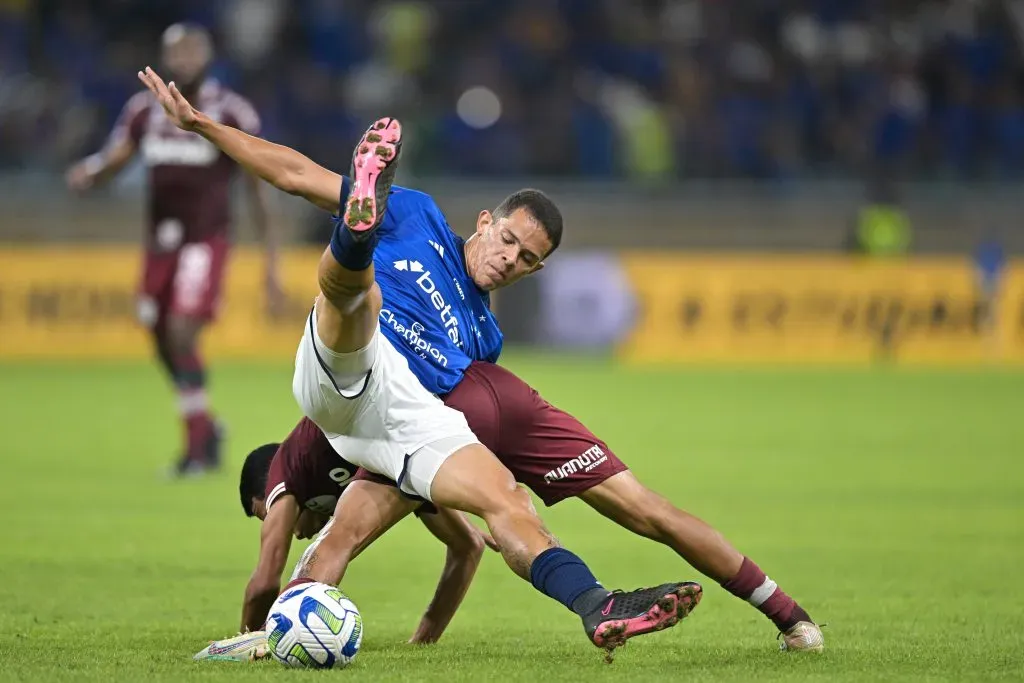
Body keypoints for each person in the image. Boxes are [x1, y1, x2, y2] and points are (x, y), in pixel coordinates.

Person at [138, 67, 701, 658]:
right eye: (507, 242)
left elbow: (466, 545)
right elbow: (293, 172)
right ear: (486, 224)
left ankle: (596, 605)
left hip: (405, 415)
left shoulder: (482, 333)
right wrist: (202, 125)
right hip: (343, 382)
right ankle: (356, 236)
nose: (510, 259)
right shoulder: (418, 215)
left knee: (507, 501)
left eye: (525, 256)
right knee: (358, 300)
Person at [66, 24, 283, 475]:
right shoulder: (144, 110)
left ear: (208, 56)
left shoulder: (230, 111)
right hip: (159, 244)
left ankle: (196, 447)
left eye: (191, 50)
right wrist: (88, 172)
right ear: (163, 59)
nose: (183, 59)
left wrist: (271, 263)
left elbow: (260, 188)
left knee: (183, 330)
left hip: (205, 241)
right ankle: (207, 426)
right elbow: (117, 156)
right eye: (174, 52)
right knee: (159, 333)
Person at [194, 423, 495, 661]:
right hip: (415, 433)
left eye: (267, 514)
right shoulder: (358, 466)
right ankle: (422, 644)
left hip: (401, 428)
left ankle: (269, 643)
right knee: (468, 544)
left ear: (267, 492)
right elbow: (468, 546)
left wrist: (246, 639)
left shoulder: (284, 471)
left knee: (320, 556)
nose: (293, 533)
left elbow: (264, 584)